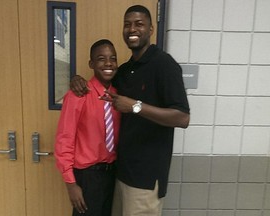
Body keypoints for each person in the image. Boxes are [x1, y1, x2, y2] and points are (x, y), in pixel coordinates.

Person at [70, 5, 190, 216]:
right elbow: (101, 80)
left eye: (139, 24)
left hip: (146, 179)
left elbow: (182, 118)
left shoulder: (164, 65)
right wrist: (77, 79)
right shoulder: (125, 70)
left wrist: (135, 106)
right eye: (127, 24)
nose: (132, 29)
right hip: (120, 174)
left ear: (151, 29)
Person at [54, 39, 120, 216]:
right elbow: (64, 140)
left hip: (113, 174)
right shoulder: (78, 95)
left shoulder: (119, 96)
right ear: (91, 64)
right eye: (101, 58)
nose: (108, 63)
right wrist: (71, 184)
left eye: (112, 58)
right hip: (88, 177)